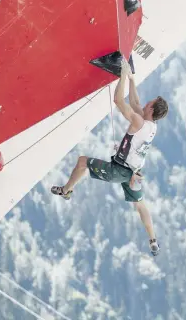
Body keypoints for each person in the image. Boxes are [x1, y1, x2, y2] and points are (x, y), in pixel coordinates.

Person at [51, 59, 168, 256]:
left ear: (152, 109)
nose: (147, 102)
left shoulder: (140, 121)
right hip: (134, 174)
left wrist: (122, 75)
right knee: (140, 205)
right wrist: (131, 78)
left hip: (120, 171)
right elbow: (136, 103)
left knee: (82, 162)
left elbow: (119, 101)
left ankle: (66, 191)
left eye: (151, 103)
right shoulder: (151, 125)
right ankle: (153, 241)